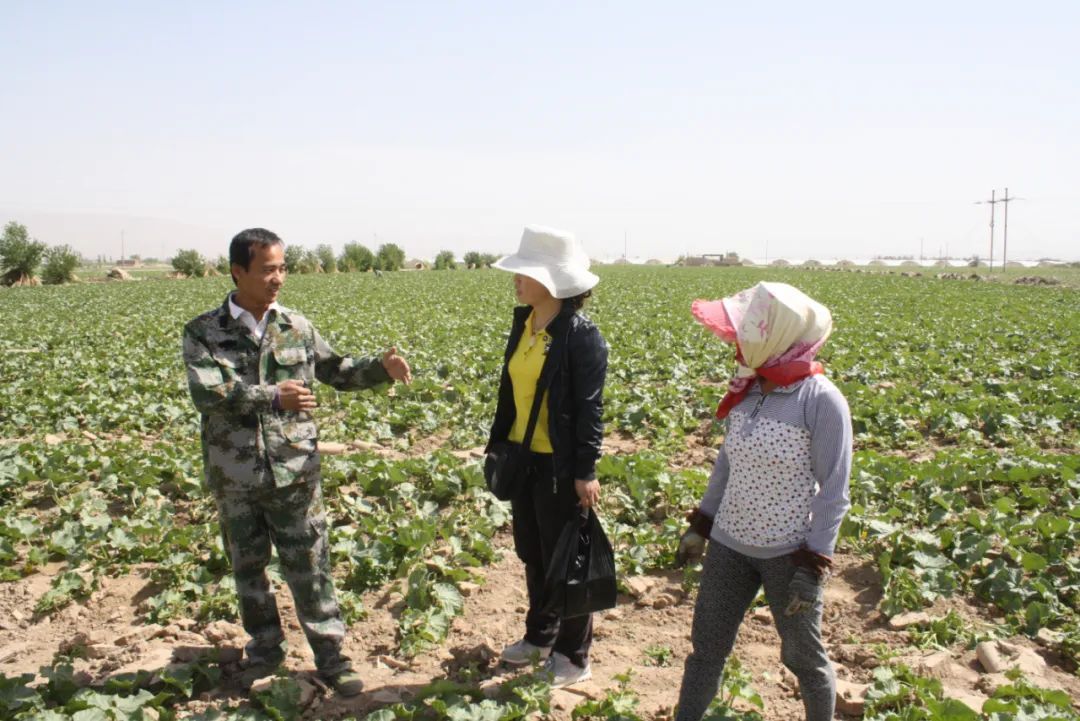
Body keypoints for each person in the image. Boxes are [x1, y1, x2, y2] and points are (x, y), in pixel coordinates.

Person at [181, 228, 411, 695]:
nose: (278, 278)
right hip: (236, 474)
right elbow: (209, 393)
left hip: (295, 470)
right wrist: (273, 397)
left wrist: (379, 370)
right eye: (268, 269)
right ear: (238, 271)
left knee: (311, 565)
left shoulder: (297, 327)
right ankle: (264, 652)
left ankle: (333, 658)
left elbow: (336, 371)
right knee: (249, 570)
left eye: (282, 267)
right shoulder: (204, 331)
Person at [673, 282, 852, 721]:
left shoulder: (821, 400)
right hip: (730, 546)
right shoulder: (749, 390)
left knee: (804, 661)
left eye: (746, 332)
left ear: (774, 338)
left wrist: (813, 567)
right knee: (705, 651)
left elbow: (834, 491)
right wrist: (701, 524)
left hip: (787, 555)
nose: (735, 340)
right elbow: (725, 467)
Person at [486, 226, 608, 688]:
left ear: (553, 281)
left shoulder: (581, 337)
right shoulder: (525, 324)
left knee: (568, 565)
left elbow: (588, 409)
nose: (516, 278)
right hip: (523, 459)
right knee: (534, 555)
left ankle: (574, 657)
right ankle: (540, 637)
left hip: (559, 466)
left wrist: (585, 471)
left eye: (526, 271)